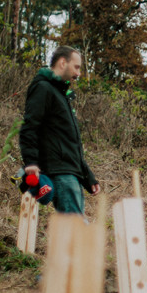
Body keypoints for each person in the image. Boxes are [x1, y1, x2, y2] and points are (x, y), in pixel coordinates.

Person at [19, 46, 101, 215]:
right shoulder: (43, 88)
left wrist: (87, 176)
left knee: (74, 230)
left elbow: (68, 142)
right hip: (61, 173)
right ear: (63, 62)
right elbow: (30, 127)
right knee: (75, 232)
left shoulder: (60, 94)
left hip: (71, 173)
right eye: (76, 67)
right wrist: (31, 162)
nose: (79, 74)